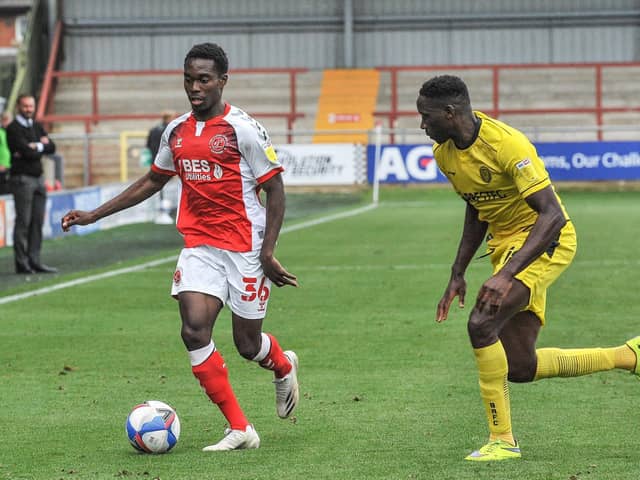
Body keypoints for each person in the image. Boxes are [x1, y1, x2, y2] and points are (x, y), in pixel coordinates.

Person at [61, 42, 300, 451]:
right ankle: (241, 429)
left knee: (247, 345)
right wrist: (94, 215)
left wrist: (267, 252)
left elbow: (275, 191)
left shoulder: (243, 129)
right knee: (193, 331)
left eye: (204, 79)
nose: (195, 87)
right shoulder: (176, 131)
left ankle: (282, 365)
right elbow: (153, 181)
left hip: (244, 246)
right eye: (189, 79)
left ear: (223, 81)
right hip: (200, 245)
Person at [416, 75, 639, 461]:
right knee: (520, 366)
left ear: (450, 113)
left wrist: (504, 275)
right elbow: (477, 207)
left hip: (546, 238)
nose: (422, 125)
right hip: (506, 245)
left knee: (481, 322)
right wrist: (457, 272)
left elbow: (551, 215)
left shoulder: (507, 143)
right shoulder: (445, 153)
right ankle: (630, 356)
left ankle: (502, 440)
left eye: (426, 116)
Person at [7, 94, 57, 274]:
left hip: (38, 178)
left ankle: (34, 260)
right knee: (23, 221)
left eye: (31, 106)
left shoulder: (36, 126)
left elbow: (52, 147)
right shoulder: (13, 128)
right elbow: (25, 151)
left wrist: (36, 147)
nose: (29, 109)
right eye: (25, 106)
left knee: (37, 221)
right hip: (22, 179)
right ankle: (22, 263)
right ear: (18, 107)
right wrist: (39, 146)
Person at [0, 111, 12, 195]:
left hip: (13, 167)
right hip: (2, 167)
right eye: (4, 120)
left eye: (8, 120)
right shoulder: (1, 132)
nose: (6, 122)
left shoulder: (14, 132)